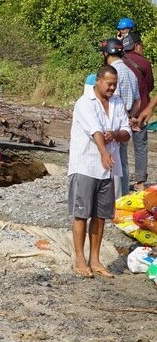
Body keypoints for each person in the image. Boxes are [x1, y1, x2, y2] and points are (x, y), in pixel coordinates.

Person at [68, 65, 131, 278]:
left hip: (107, 169)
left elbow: (126, 133)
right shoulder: (85, 103)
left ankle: (95, 259)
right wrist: (104, 152)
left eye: (115, 84)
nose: (112, 87)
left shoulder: (117, 103)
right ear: (98, 81)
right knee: (81, 213)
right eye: (109, 83)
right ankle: (79, 258)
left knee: (101, 215)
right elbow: (95, 131)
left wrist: (115, 133)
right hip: (86, 164)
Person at [99, 38, 140, 198]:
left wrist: (123, 117)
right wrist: (130, 118)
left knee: (111, 161)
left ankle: (113, 199)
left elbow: (114, 100)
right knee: (123, 160)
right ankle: (123, 196)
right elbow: (138, 100)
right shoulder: (131, 72)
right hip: (127, 121)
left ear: (106, 53)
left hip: (114, 120)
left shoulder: (111, 73)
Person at [122, 33, 153, 192]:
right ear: (136, 46)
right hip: (141, 112)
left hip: (122, 112)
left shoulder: (119, 62)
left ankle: (122, 180)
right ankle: (140, 183)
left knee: (121, 147)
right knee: (140, 147)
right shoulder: (145, 63)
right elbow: (150, 86)